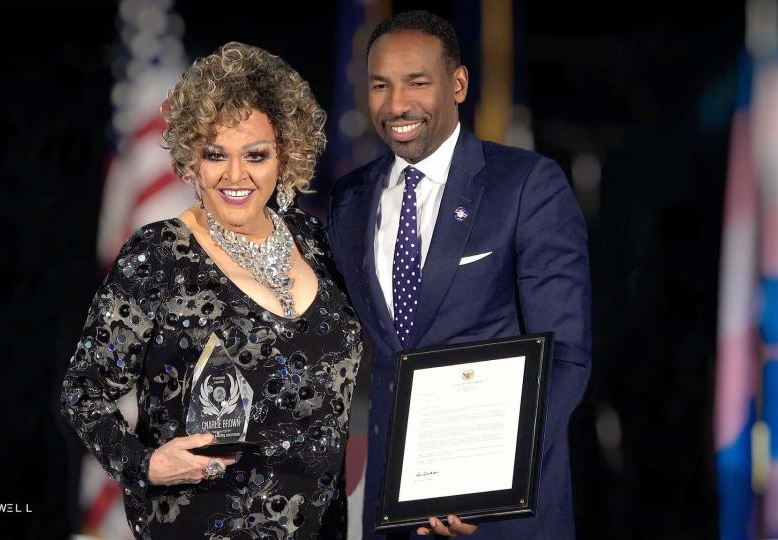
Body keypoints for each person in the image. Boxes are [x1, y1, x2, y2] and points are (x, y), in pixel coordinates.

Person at [60, 42, 363, 539]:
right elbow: (83, 391)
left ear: (285, 155)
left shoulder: (317, 243)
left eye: (256, 155)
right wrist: (144, 465)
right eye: (215, 154)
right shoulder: (158, 254)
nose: (235, 175)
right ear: (190, 159)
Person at [327, 11, 591, 539]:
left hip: (498, 518)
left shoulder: (525, 186)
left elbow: (565, 355)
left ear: (459, 83)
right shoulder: (349, 200)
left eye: (417, 83)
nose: (397, 104)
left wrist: (487, 488)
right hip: (389, 514)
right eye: (381, 85)